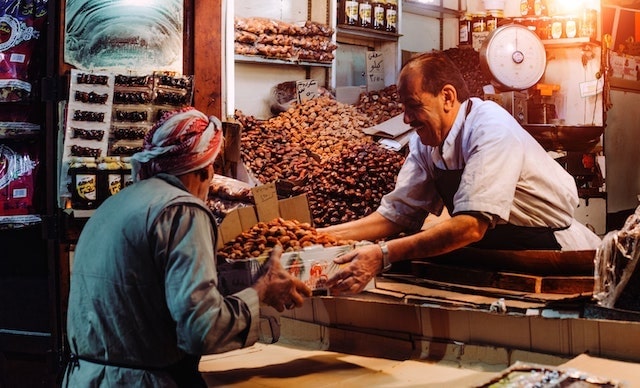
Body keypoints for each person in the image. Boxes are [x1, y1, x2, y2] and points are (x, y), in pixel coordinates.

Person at [62, 107, 311, 387]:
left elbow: (146, 295)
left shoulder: (115, 204)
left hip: (86, 377)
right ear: (205, 171)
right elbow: (201, 329)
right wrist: (260, 291)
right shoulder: (183, 211)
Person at [322, 51, 602, 296]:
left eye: (414, 106)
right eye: (403, 108)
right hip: (493, 256)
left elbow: (470, 226)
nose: (406, 119)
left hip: (550, 256)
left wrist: (383, 254)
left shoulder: (489, 128)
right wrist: (320, 237)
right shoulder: (424, 142)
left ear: (447, 97)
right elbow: (395, 215)